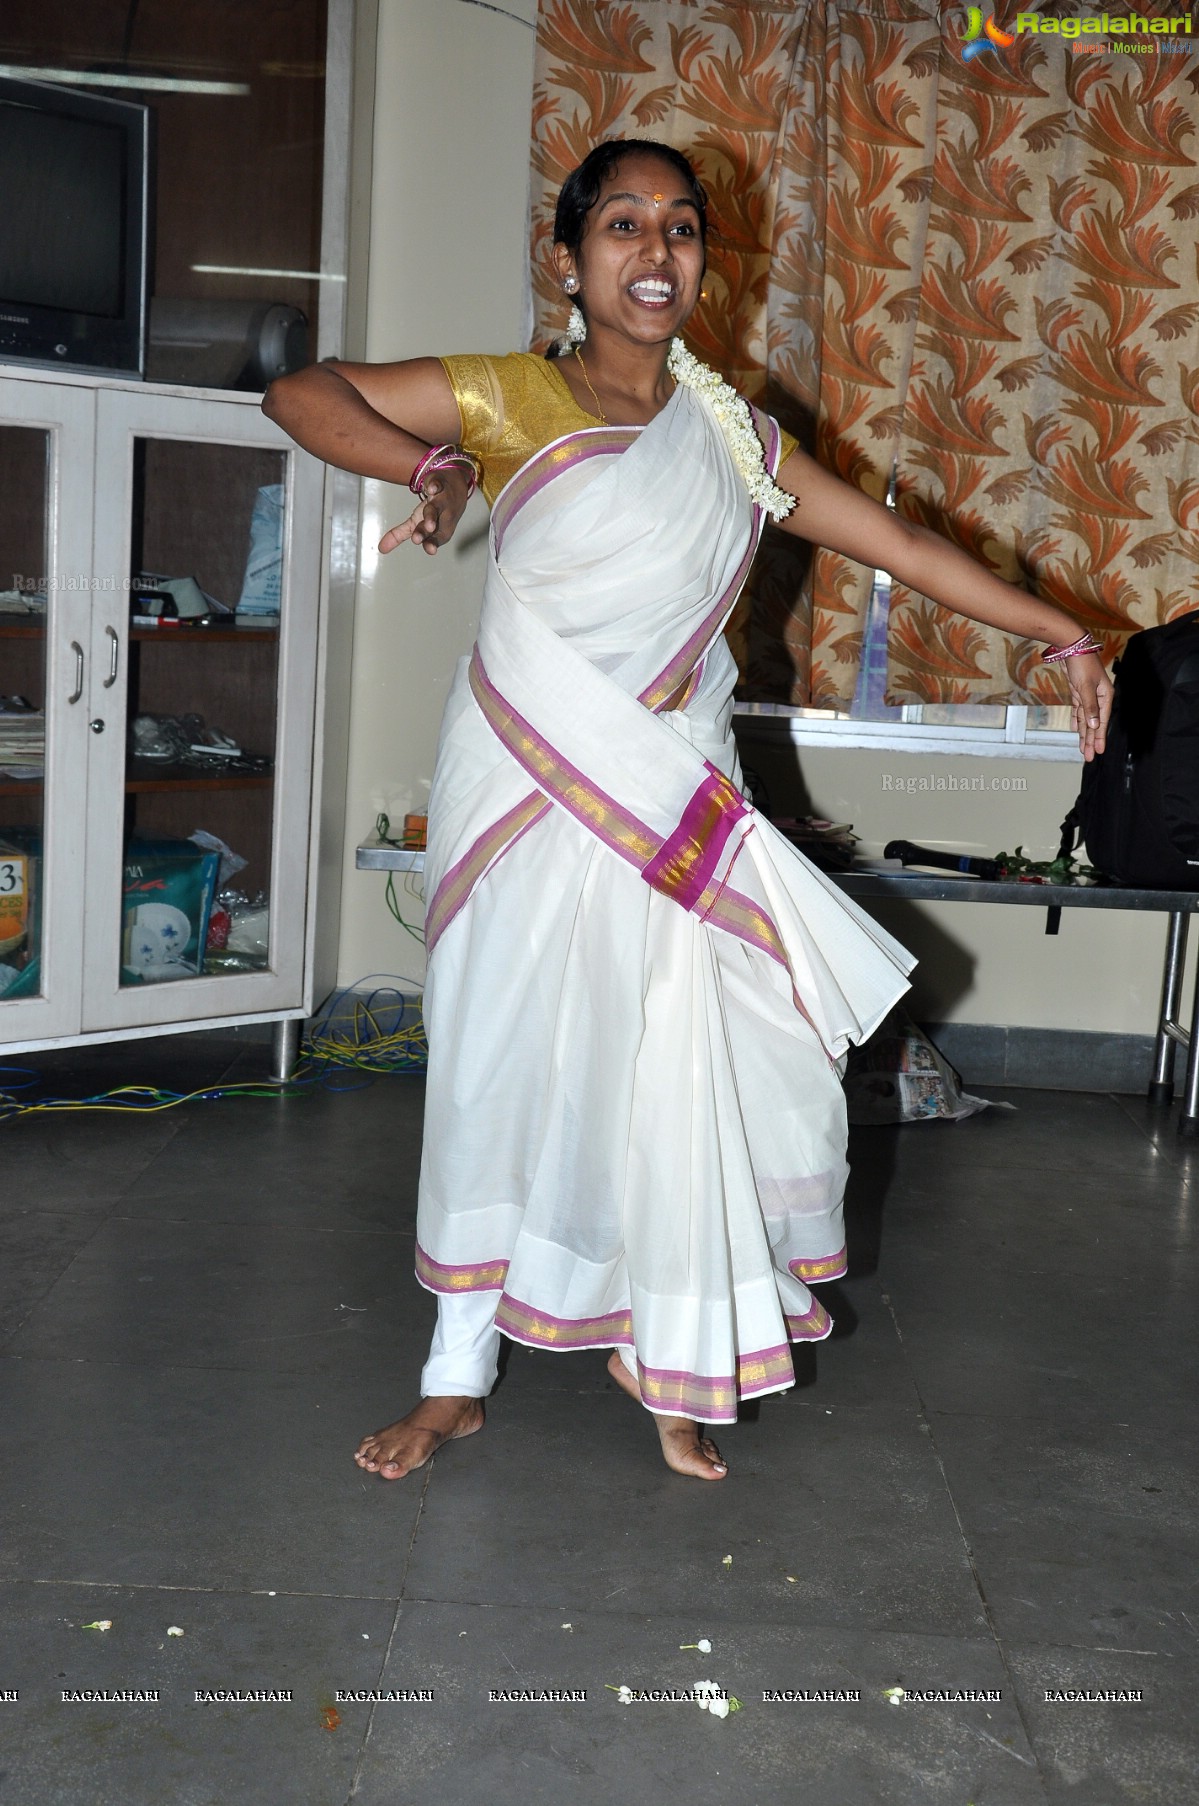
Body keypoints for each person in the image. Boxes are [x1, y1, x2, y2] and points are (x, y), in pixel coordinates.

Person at [264, 139, 1112, 1483]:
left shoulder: (737, 437)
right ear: (569, 258)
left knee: (697, 1055)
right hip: (529, 778)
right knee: (503, 1060)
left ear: (704, 260)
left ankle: (678, 1342)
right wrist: (423, 467)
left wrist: (1062, 631)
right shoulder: (509, 394)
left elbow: (898, 544)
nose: (654, 252)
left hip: (676, 785)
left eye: (680, 228)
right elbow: (300, 390)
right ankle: (453, 1375)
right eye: (620, 225)